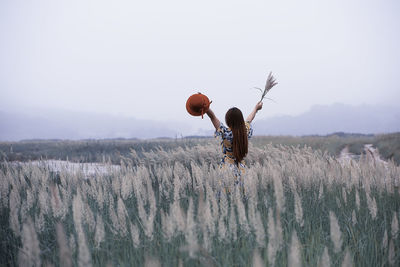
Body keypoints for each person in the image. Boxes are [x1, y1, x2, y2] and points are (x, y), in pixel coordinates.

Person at [205, 74, 277, 185]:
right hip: (241, 170)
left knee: (225, 200)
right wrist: (256, 108)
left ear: (228, 120)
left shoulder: (226, 133)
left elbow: (212, 117)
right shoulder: (245, 132)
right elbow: (249, 119)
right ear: (240, 119)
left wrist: (205, 107)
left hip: (225, 171)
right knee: (240, 199)